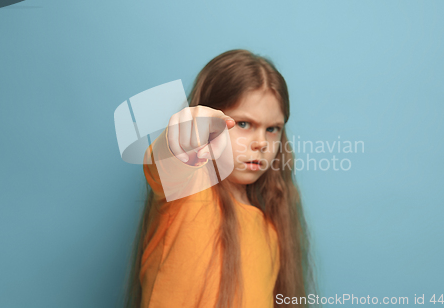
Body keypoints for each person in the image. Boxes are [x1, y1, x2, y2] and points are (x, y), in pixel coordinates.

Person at [123, 49, 318, 308]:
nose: (261, 143)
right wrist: (183, 136)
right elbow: (164, 161)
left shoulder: (271, 232)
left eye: (272, 129)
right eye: (244, 124)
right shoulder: (186, 191)